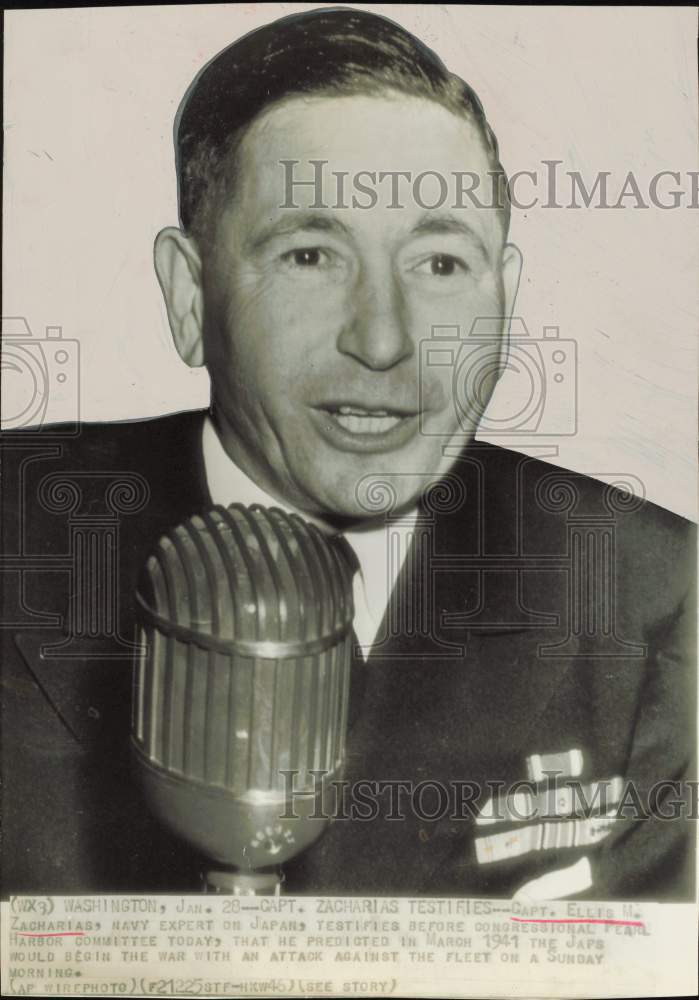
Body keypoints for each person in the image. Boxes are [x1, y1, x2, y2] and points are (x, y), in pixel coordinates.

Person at [1, 7, 695, 900]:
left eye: (440, 264)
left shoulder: (656, 592)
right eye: (309, 254)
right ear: (187, 292)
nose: (382, 339)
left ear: (505, 295)